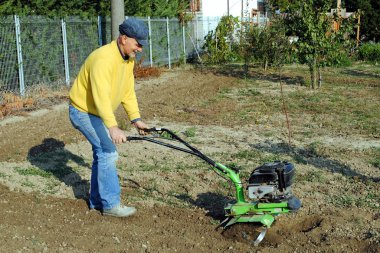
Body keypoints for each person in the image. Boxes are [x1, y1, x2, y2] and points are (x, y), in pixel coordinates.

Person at [68, 18, 149, 217]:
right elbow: (100, 96)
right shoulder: (103, 59)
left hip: (96, 112)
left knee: (101, 153)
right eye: (138, 44)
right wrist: (112, 126)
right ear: (123, 38)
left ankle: (97, 201)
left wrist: (135, 119)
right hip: (83, 111)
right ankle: (111, 204)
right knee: (108, 152)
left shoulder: (127, 60)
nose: (140, 49)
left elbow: (127, 91)